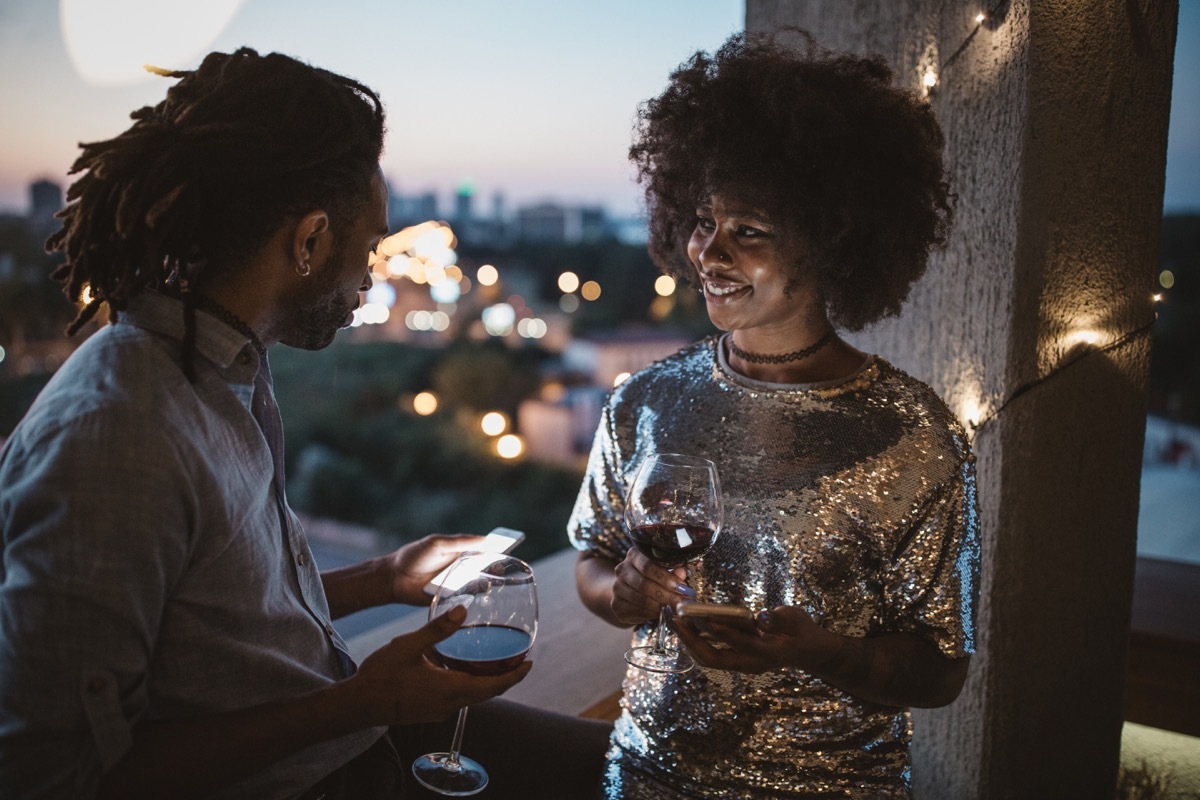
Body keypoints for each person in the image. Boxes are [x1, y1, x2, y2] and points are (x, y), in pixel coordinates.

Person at [0, 49, 541, 800]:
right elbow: (60, 779)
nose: (375, 273)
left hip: (351, 739)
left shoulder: (221, 371)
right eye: (374, 244)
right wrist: (360, 703)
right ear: (311, 239)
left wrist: (384, 578)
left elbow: (223, 624)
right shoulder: (115, 434)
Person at [570, 31, 980, 799]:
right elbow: (592, 561)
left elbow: (942, 669)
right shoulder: (644, 401)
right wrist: (619, 593)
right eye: (701, 221)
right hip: (645, 777)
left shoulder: (913, 436)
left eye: (747, 231)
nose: (707, 252)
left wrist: (820, 652)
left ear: (831, 239)